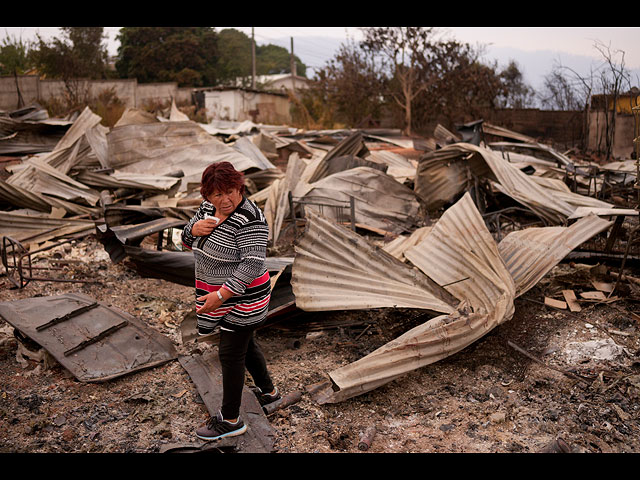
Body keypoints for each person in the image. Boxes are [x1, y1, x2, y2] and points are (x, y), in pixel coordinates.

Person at [181, 161, 280, 441]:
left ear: (240, 187)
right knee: (245, 346)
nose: (225, 200)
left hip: (244, 296)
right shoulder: (205, 210)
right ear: (207, 195)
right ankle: (269, 392)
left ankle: (232, 419)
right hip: (217, 294)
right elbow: (188, 241)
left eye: (231, 191)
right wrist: (193, 230)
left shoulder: (251, 219)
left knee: (230, 354)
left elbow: (251, 265)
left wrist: (222, 295)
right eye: (217, 195)